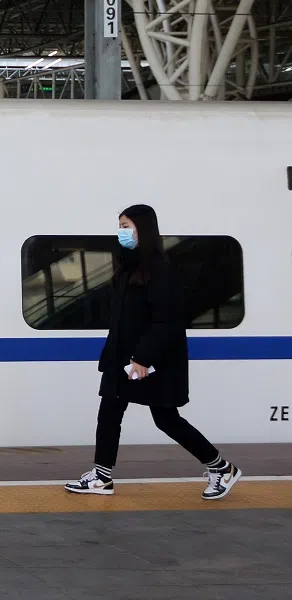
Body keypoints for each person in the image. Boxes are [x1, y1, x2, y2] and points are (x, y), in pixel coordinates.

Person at [65, 204, 241, 500]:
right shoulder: (128, 267)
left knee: (166, 418)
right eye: (119, 225)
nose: (121, 232)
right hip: (123, 358)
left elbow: (167, 320)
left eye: (126, 226)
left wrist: (143, 358)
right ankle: (102, 476)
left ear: (142, 230)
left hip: (151, 361)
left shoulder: (160, 269)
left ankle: (221, 468)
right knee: (109, 411)